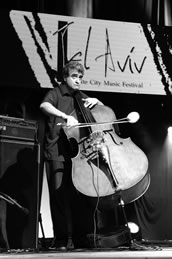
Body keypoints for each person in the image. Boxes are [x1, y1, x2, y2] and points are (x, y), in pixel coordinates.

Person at [40, 61, 103, 250]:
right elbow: (44, 105)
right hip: (56, 153)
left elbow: (100, 108)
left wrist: (96, 101)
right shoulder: (56, 93)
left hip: (77, 155)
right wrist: (65, 116)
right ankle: (60, 240)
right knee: (58, 198)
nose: (78, 80)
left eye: (80, 77)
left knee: (79, 198)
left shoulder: (79, 96)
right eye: (74, 77)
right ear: (66, 77)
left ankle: (80, 238)